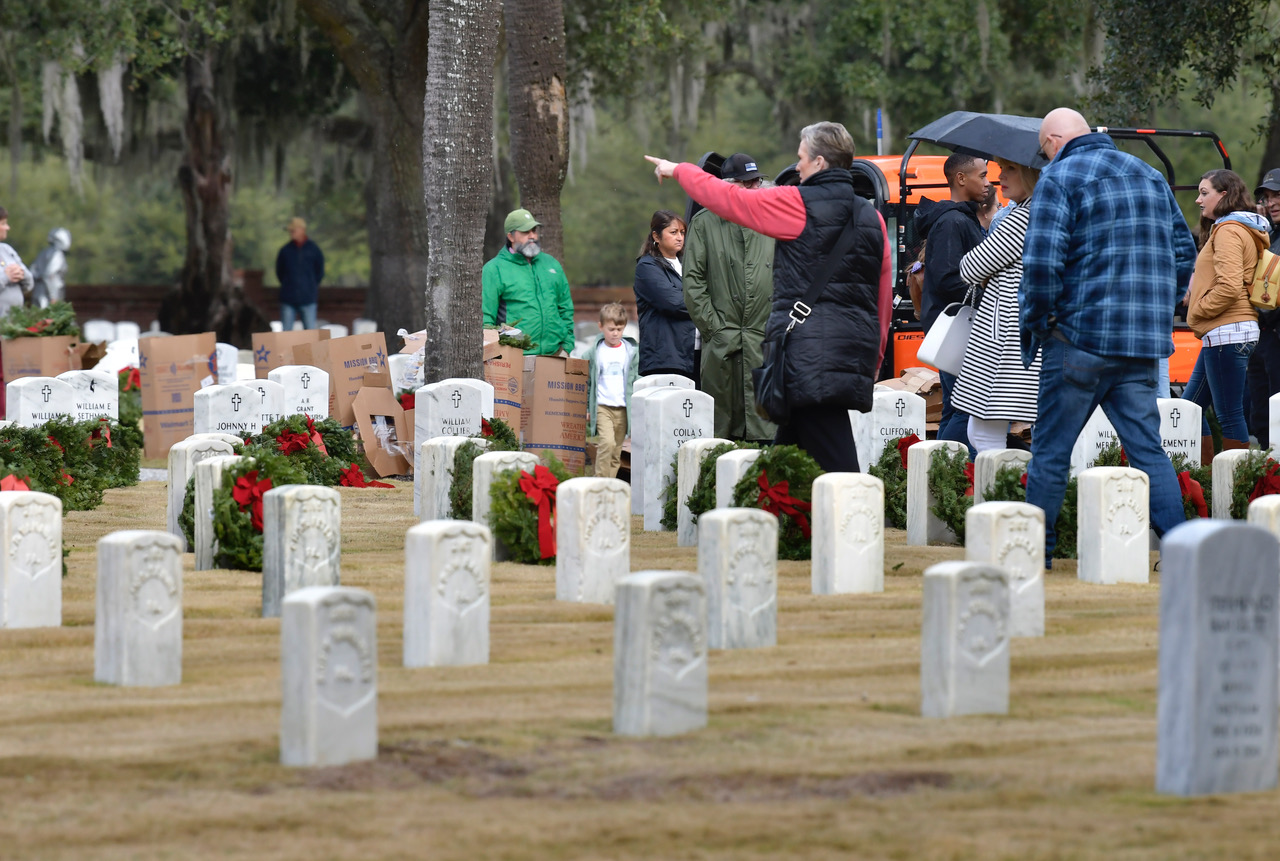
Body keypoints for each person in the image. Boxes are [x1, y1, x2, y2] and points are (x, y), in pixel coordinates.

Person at [645, 121, 893, 473]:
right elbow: (882, 294)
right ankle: (770, 508)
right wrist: (875, 355)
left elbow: (732, 199)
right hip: (848, 351)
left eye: (802, 158)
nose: (798, 167)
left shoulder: (795, 204)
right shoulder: (871, 217)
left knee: (840, 471)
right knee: (782, 467)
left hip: (805, 355)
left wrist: (679, 170)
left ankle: (856, 509)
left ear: (820, 162)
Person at [1020, 108, 1197, 565]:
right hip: (1141, 345)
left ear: (1053, 141)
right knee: (1148, 452)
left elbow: (1041, 265)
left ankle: (1036, 555)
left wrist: (1040, 322)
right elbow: (1184, 254)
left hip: (1078, 339)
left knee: (1051, 452)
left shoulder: (1059, 178)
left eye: (1043, 152)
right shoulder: (1151, 175)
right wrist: (1158, 310)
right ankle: (1182, 553)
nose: (1045, 160)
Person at [951, 157, 1042, 453]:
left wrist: (989, 275)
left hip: (1006, 340)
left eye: (1011, 169)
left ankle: (1004, 482)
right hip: (1026, 334)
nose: (1000, 176)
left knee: (984, 432)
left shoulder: (1021, 219)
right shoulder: (1049, 213)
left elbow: (969, 267)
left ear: (1030, 173)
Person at [683, 152, 776, 441]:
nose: (754, 187)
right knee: (721, 433)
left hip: (763, 341)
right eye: (746, 182)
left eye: (757, 181)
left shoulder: (773, 218)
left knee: (767, 432)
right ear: (727, 185)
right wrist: (714, 329)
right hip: (723, 342)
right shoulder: (704, 223)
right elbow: (693, 281)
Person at [1183, 169, 1268, 453]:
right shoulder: (1234, 228)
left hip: (1227, 333)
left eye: (1204, 193)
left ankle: (1237, 478)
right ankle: (1204, 472)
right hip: (1224, 333)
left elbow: (1229, 287)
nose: (1198, 200)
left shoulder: (1229, 231)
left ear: (1224, 195)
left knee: (1229, 415)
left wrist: (1197, 311)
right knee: (1189, 408)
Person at [915, 152, 989, 450]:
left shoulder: (960, 219)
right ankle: (947, 469)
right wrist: (989, 295)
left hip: (956, 328)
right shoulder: (953, 222)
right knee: (966, 409)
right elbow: (947, 278)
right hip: (958, 329)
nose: (988, 182)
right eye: (982, 175)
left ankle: (940, 469)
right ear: (961, 178)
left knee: (955, 407)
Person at [482, 208, 574, 357]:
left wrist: (567, 347)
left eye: (534, 231)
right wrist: (499, 354)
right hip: (515, 357)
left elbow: (566, 308)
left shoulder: (551, 264)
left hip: (556, 355)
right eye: (525, 232)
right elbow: (486, 319)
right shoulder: (494, 269)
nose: (532, 236)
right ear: (511, 236)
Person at [632, 210, 694, 377]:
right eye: (673, 232)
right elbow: (674, 303)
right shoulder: (647, 267)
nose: (680, 237)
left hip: (694, 354)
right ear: (656, 236)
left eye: (682, 232)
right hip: (665, 358)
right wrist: (706, 304)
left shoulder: (689, 264)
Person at [1246, 168, 1280, 447]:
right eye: (1267, 197)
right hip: (1263, 335)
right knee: (1262, 415)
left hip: (1274, 333)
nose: (1272, 202)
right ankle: (1267, 467)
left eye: (1278, 195)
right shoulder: (1269, 236)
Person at [587, 302, 639, 479]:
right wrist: (587, 408)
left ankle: (610, 484)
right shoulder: (595, 352)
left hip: (623, 408)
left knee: (616, 451)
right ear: (601, 326)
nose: (615, 333)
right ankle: (600, 481)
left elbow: (636, 378)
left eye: (619, 329)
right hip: (603, 407)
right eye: (611, 329)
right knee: (607, 443)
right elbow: (588, 382)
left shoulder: (630, 351)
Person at [274, 217, 325, 330]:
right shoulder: (285, 251)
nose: (291, 233)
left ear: (302, 230)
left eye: (294, 230)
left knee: (310, 332)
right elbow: (280, 272)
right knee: (286, 333)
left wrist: (310, 285)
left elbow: (319, 272)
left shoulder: (313, 250)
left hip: (308, 299)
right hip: (288, 298)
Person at [0, 205, 33, 317]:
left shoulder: (7, 250)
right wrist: (6, 277)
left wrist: (21, 274)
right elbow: (6, 278)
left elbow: (29, 283)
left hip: (15, 321)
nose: (8, 227)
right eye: (3, 224)